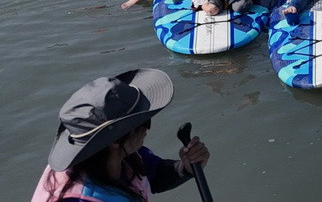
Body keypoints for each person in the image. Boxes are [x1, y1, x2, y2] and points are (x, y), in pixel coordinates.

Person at [32, 68, 209, 202]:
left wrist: (185, 168)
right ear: (115, 141)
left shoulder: (121, 156)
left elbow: (153, 176)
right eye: (142, 122)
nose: (147, 128)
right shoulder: (77, 198)